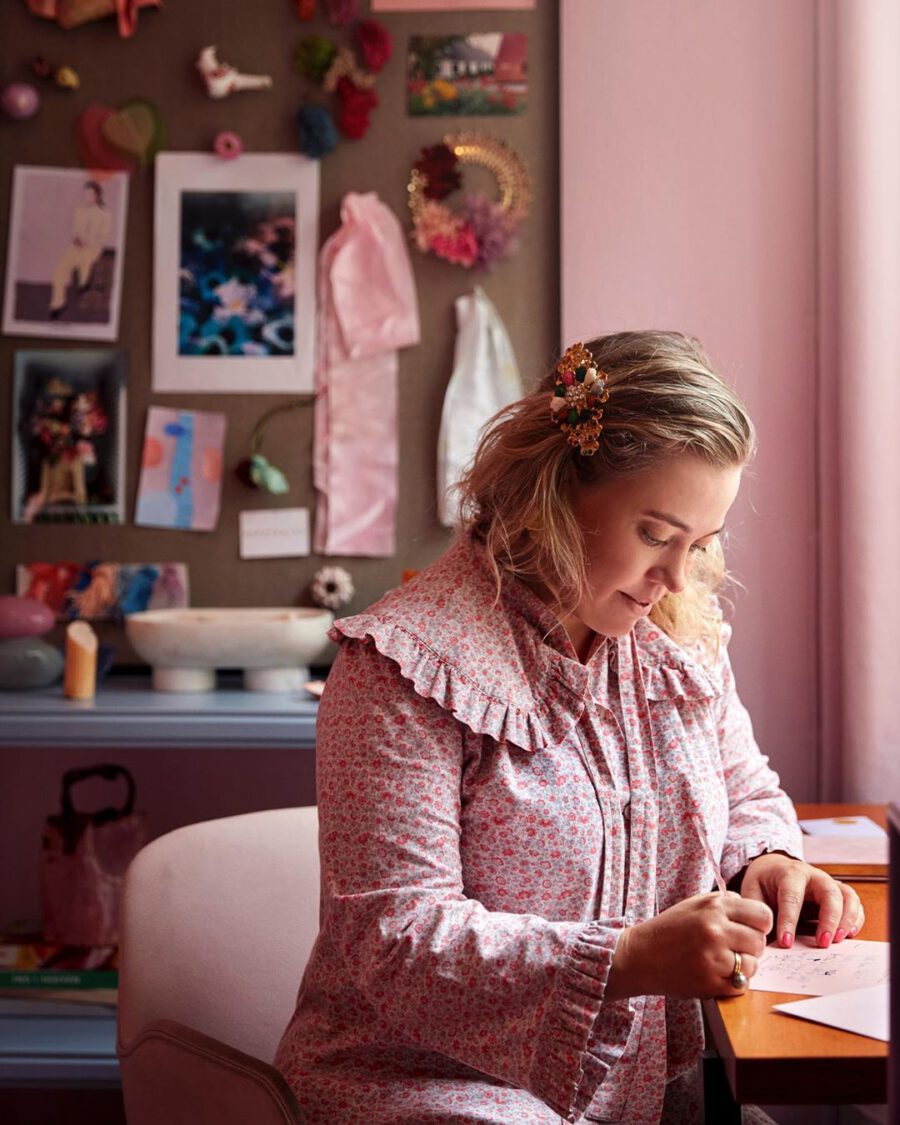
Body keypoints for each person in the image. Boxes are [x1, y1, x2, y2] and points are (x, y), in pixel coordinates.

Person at [276, 331, 864, 1123]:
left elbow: (743, 783)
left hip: (642, 1091)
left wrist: (768, 858)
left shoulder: (678, 636)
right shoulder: (400, 669)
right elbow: (396, 939)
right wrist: (628, 958)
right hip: (427, 1088)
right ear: (554, 493)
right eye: (656, 534)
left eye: (702, 543)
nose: (677, 577)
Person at [48, 180, 112, 320]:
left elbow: (103, 236)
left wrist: (88, 242)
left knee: (85, 260)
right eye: (86, 194)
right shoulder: (79, 209)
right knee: (58, 273)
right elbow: (74, 230)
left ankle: (84, 283)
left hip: (93, 248)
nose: (88, 197)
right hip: (76, 247)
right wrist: (76, 239)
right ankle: (58, 304)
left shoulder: (104, 213)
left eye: (91, 194)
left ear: (97, 195)